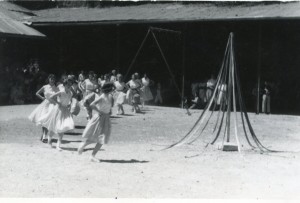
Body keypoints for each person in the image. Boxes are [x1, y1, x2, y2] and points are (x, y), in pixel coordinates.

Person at [77, 83, 114, 162]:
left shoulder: (110, 96)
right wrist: (99, 111)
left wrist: (109, 111)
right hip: (100, 118)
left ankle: (92, 155)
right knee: (97, 137)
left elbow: (109, 106)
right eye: (112, 88)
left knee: (102, 139)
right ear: (108, 89)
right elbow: (92, 104)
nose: (113, 89)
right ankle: (83, 146)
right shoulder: (102, 96)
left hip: (106, 118)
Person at [39, 78, 75, 150]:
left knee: (63, 127)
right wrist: (58, 103)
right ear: (64, 85)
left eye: (70, 85)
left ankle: (58, 145)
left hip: (65, 111)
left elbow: (69, 100)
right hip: (58, 110)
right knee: (54, 126)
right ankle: (49, 141)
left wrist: (69, 104)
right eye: (68, 85)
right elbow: (51, 97)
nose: (69, 86)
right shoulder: (61, 92)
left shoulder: (71, 93)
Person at [28, 74, 59, 142]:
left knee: (48, 119)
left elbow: (58, 98)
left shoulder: (56, 88)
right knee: (44, 119)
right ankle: (44, 135)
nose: (52, 80)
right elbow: (37, 93)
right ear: (49, 79)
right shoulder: (45, 87)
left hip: (53, 105)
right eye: (51, 79)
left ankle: (44, 135)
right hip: (45, 104)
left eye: (53, 79)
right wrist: (42, 98)